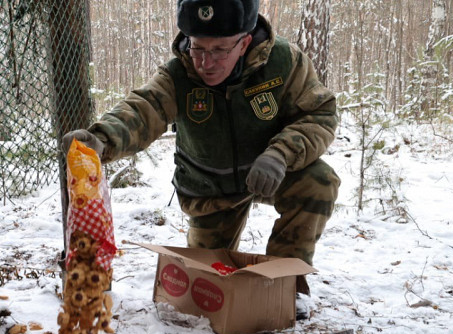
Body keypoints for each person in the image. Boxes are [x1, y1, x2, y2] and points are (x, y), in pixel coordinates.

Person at [63, 0, 340, 268]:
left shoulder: (284, 62)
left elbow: (320, 113)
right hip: (210, 191)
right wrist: (102, 139)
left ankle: (287, 280)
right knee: (203, 285)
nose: (206, 63)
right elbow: (143, 109)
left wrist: (281, 154)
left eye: (220, 50)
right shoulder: (179, 73)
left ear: (244, 43)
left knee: (318, 181)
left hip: (270, 174)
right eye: (198, 48)